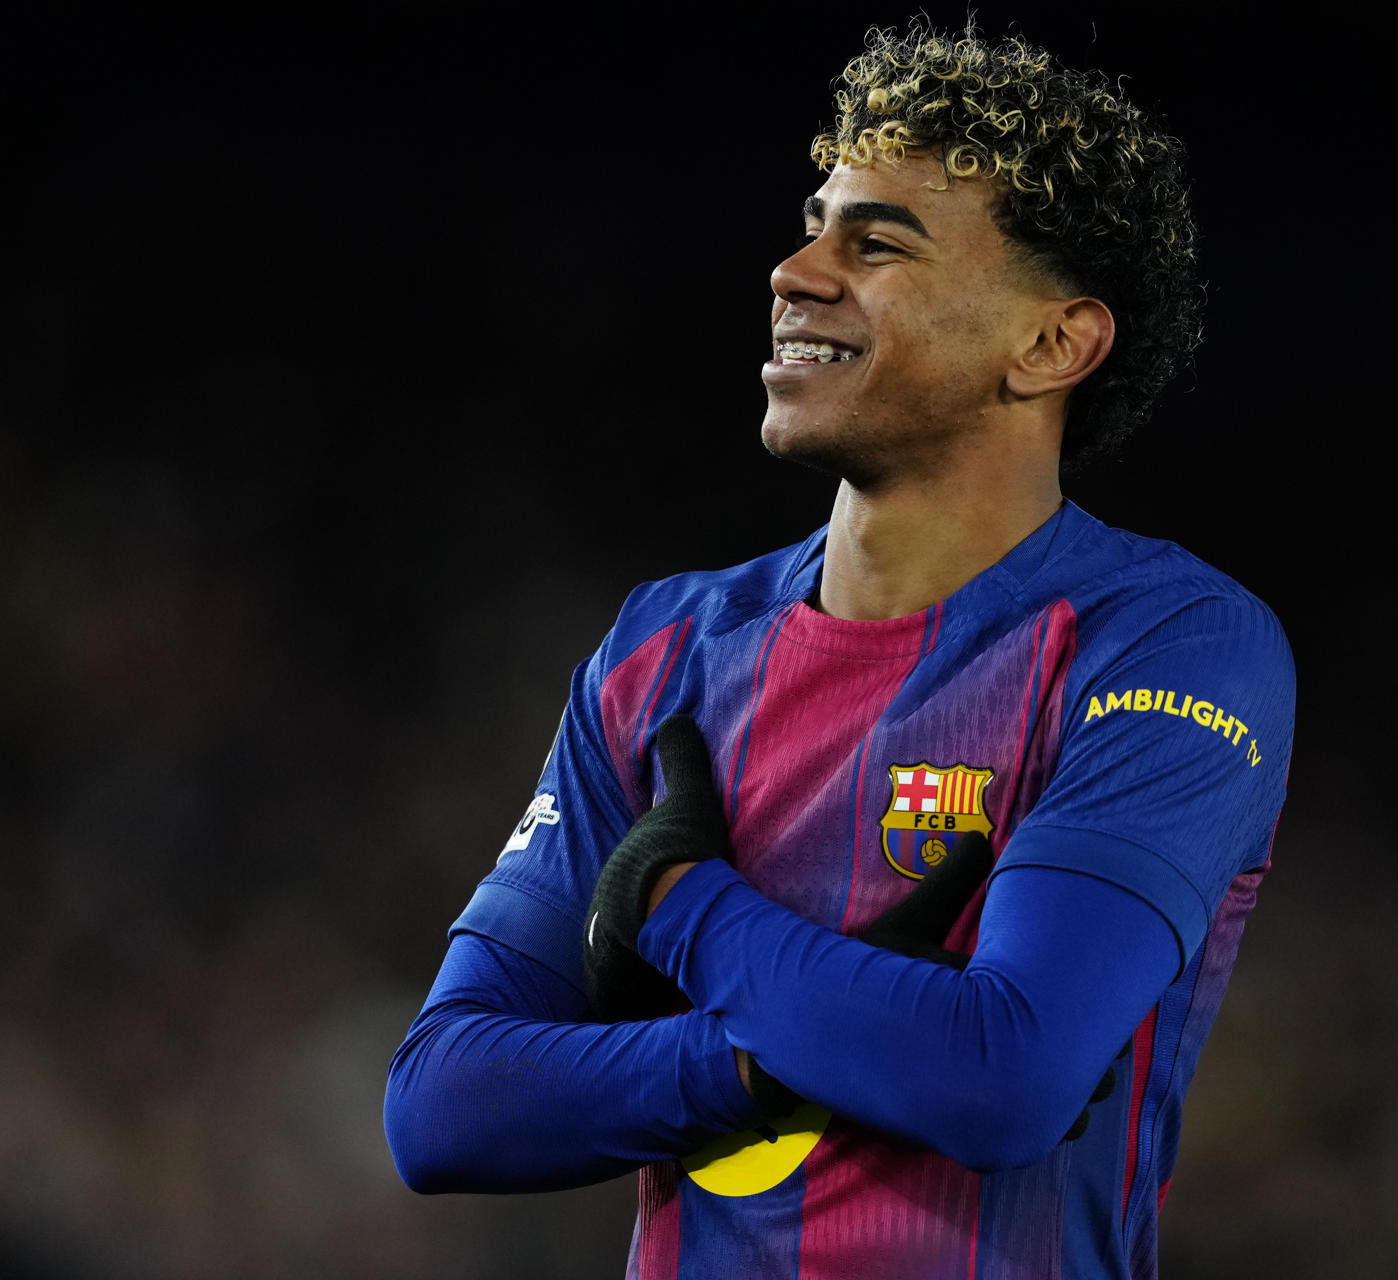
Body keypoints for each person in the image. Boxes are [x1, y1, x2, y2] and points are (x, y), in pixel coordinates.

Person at [384, 20, 1294, 1279]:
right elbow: (441, 1101)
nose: (795, 271)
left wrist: (678, 902)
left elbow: (1002, 1077)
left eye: (877, 244)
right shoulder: (665, 649)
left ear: (1051, 344)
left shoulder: (1168, 643)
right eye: (815, 227)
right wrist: (758, 1060)